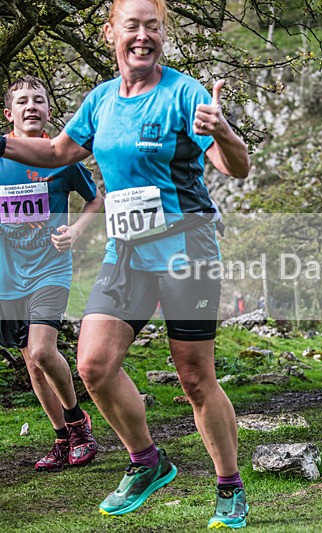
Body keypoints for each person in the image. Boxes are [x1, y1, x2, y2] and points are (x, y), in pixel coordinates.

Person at [0, 0, 251, 527]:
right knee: (93, 365)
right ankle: (148, 461)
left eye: (152, 27)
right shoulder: (101, 101)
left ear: (162, 34)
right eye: (131, 26)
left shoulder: (184, 94)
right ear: (111, 31)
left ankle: (229, 484)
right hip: (127, 251)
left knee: (195, 375)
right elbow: (54, 154)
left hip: (188, 246)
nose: (142, 36)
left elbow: (236, 167)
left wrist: (223, 130)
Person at [0, 75, 103, 472]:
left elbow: (95, 200)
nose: (31, 106)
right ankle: (62, 439)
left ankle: (78, 423)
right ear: (9, 113)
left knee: (43, 350)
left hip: (50, 269)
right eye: (22, 101)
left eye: (38, 101)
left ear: (47, 111)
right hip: (8, 276)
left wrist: (75, 230)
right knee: (31, 363)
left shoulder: (62, 155)